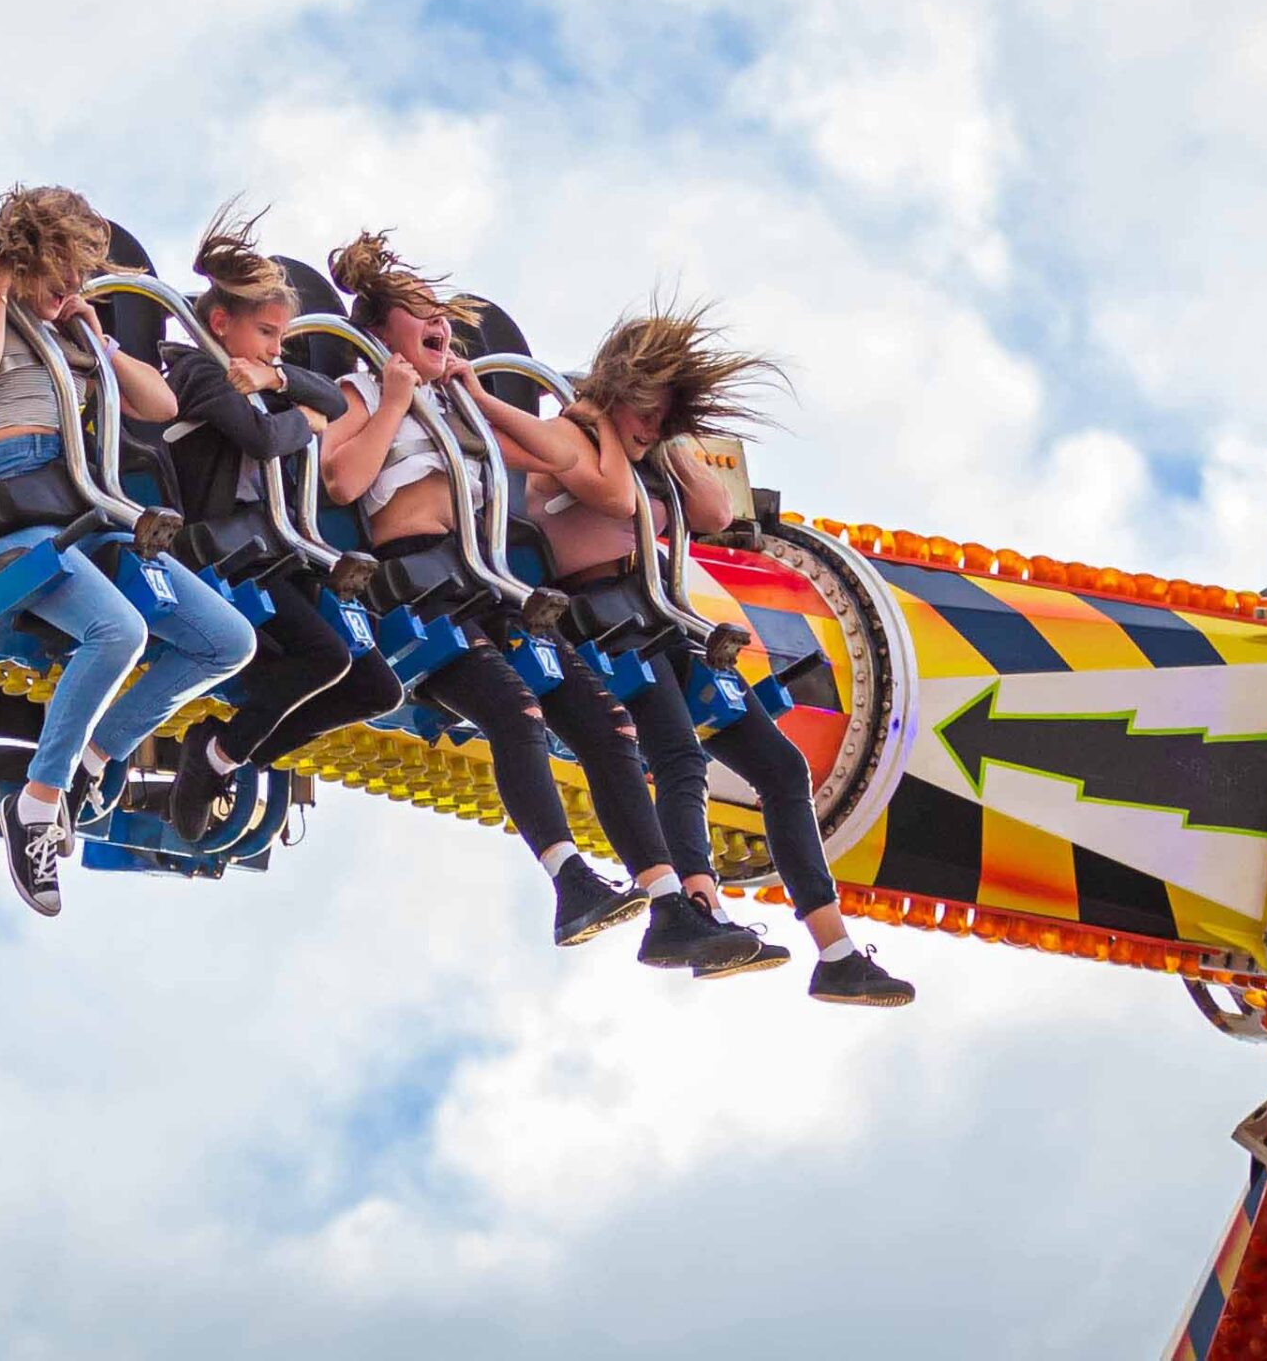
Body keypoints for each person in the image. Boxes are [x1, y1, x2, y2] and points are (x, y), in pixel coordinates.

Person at [316, 233, 758, 970]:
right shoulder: (365, 394)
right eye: (423, 313)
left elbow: (601, 483)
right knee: (516, 711)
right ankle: (569, 881)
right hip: (417, 583)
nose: (442, 325)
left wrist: (526, 404)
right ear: (382, 329)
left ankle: (668, 906)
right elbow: (341, 480)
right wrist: (395, 402)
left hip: (484, 586)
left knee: (608, 725)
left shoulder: (465, 411)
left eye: (445, 316)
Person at [529, 305, 915, 1006]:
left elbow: (712, 513)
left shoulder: (653, 455)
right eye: (646, 409)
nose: (651, 425)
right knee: (679, 757)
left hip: (668, 618)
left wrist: (670, 445)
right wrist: (609, 424)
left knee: (782, 766)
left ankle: (835, 949)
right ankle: (694, 908)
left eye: (663, 415)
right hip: (607, 620)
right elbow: (602, 495)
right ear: (616, 389)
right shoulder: (574, 436)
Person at [0, 184, 256, 917]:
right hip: (12, 504)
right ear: (23, 261)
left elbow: (161, 406)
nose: (71, 289)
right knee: (120, 631)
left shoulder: (69, 333)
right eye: (61, 275)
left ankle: (90, 759)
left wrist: (94, 337)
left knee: (226, 640)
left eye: (80, 278)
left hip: (84, 502)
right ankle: (37, 807)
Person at [157, 209, 406, 833]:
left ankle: (220, 756)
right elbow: (265, 438)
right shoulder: (195, 371)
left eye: (282, 338)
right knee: (322, 658)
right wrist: (304, 421)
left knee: (378, 689)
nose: (275, 346)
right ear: (220, 323)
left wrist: (277, 376)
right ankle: (217, 756)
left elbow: (324, 395)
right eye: (266, 335)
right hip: (222, 546)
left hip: (275, 547)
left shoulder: (262, 374)